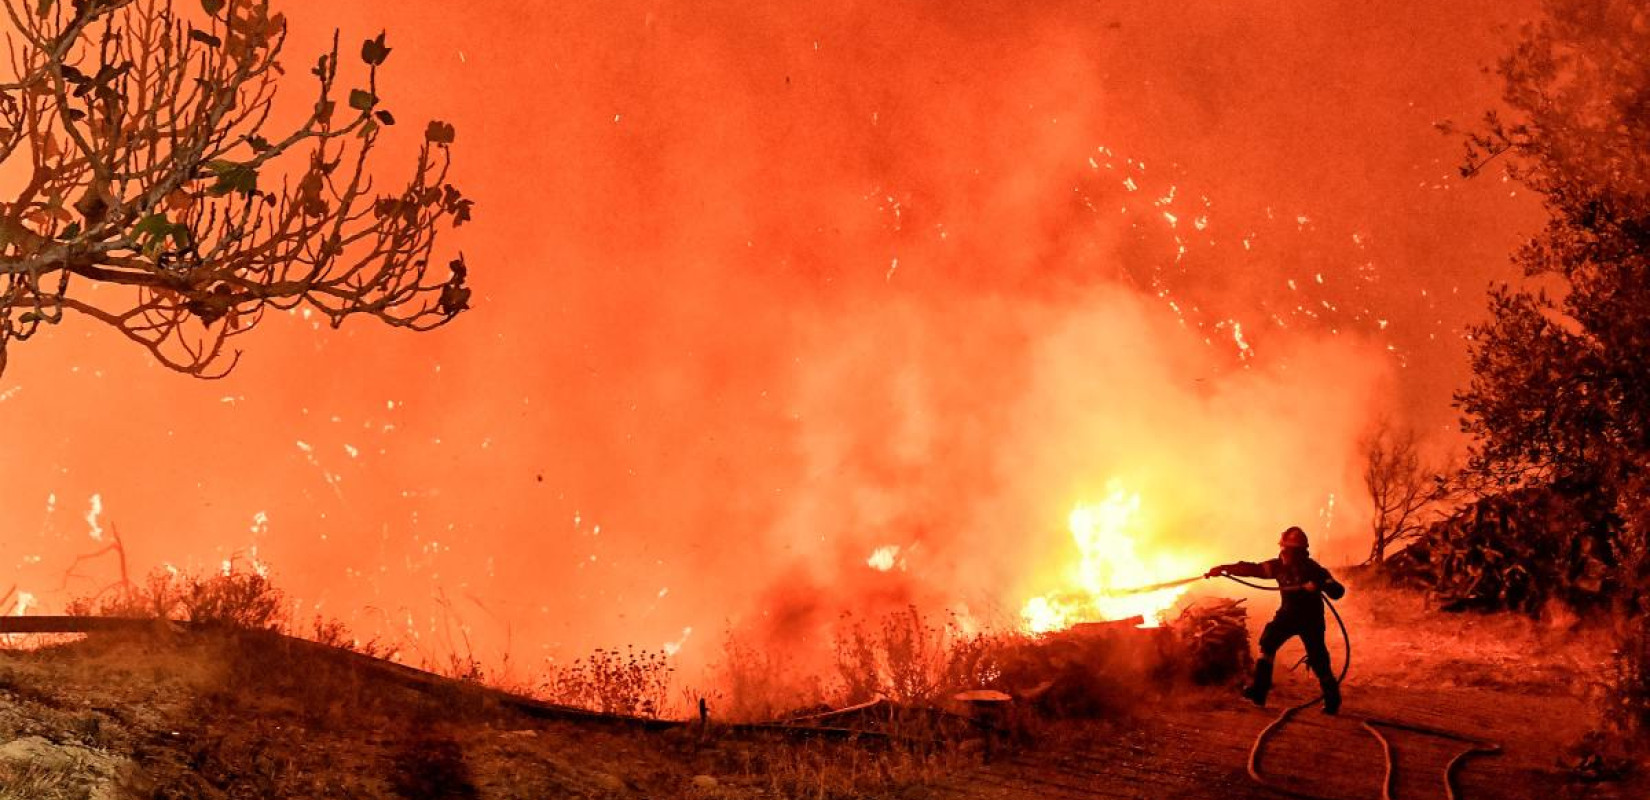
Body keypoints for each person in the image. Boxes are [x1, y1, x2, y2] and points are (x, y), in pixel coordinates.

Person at [1205, 526, 1347, 714]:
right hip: (1288, 616)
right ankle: (1259, 691)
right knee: (1268, 642)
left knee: (1318, 657)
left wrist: (1320, 585)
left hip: (1310, 619)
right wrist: (1224, 569)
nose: (1283, 552)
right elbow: (1253, 569)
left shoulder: (1314, 570)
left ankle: (1332, 698)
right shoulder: (1278, 566)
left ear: (1298, 552)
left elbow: (1338, 591)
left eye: (1287, 549)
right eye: (1283, 548)